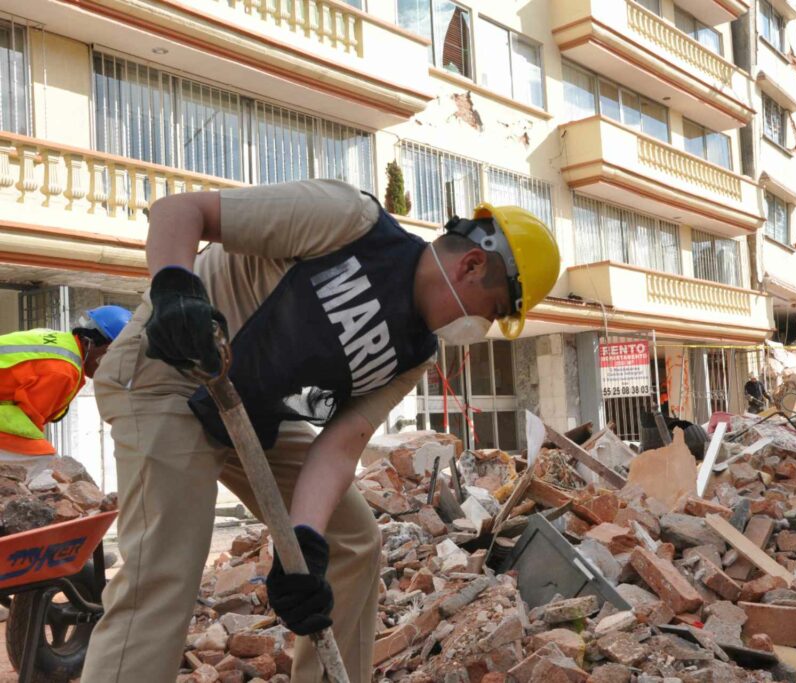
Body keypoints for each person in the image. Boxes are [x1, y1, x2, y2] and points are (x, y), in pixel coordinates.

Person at [80, 179, 561, 683]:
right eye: (493, 311)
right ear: (472, 265)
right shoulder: (348, 222)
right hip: (170, 376)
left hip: (248, 410)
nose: (480, 325)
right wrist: (175, 288)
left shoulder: (412, 356)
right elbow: (180, 211)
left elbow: (337, 446)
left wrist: (303, 544)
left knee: (350, 541)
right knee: (166, 569)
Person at [0, 306, 131, 459]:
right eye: (114, 357)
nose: (114, 366)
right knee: (42, 461)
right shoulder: (64, 371)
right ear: (91, 343)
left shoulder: (61, 342)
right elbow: (28, 419)